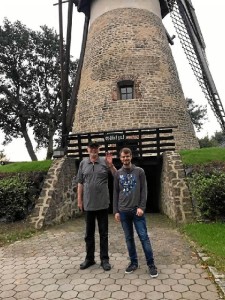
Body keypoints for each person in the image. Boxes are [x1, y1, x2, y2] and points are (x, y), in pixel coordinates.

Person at [113, 147, 158, 277]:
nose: (125, 159)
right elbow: (115, 192)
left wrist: (141, 207)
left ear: (131, 157)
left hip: (137, 211)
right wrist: (115, 211)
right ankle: (134, 263)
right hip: (123, 211)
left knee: (144, 237)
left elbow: (144, 190)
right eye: (123, 157)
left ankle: (151, 264)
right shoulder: (118, 174)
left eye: (127, 156)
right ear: (120, 158)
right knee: (129, 239)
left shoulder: (139, 171)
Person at [76, 140, 116, 271]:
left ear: (98, 149)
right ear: (87, 149)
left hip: (103, 204)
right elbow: (80, 183)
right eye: (91, 148)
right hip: (88, 204)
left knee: (103, 233)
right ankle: (89, 259)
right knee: (89, 234)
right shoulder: (83, 163)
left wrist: (111, 166)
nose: (93, 150)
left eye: (95, 148)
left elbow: (116, 176)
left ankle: (104, 259)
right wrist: (79, 201)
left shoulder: (105, 161)